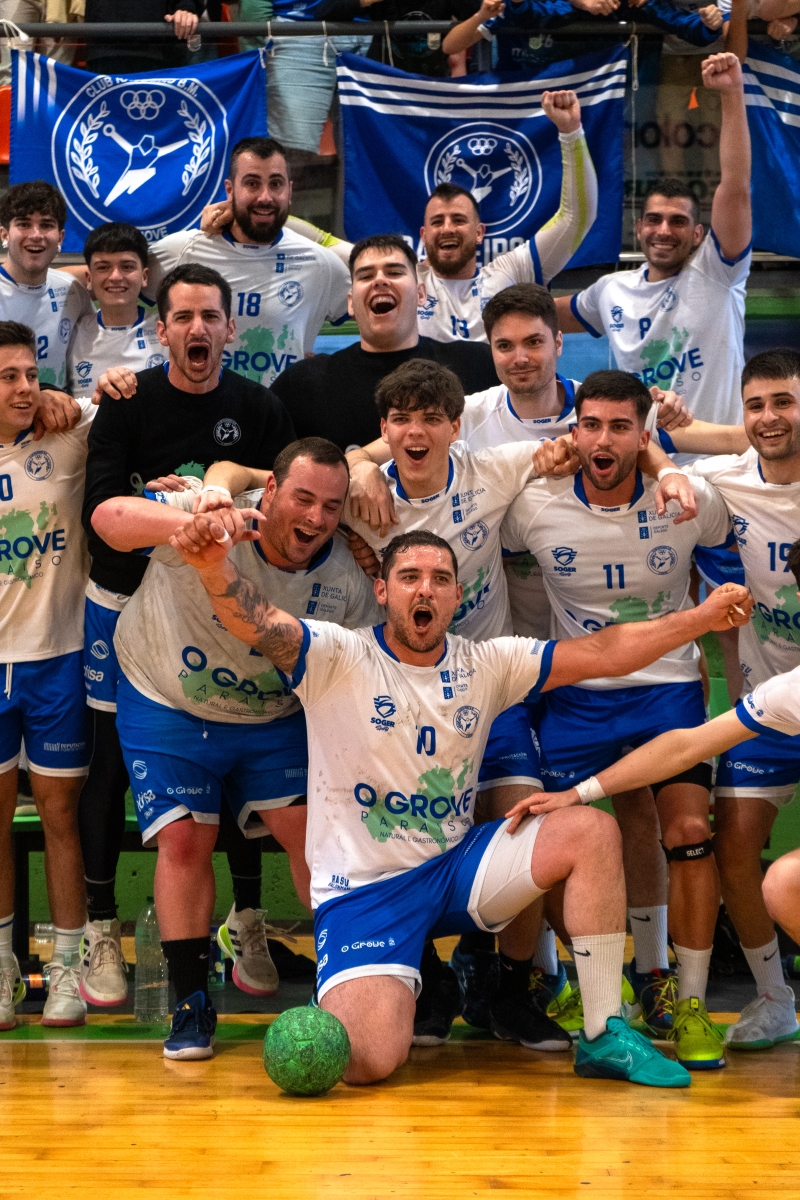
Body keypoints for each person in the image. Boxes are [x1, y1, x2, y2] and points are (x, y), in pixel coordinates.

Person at [169, 516, 751, 1086]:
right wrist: (213, 568)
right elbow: (258, 621)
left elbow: (604, 650)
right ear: (382, 591)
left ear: (456, 596)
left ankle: (603, 1033)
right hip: (367, 894)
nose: (425, 589)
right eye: (409, 577)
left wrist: (699, 619)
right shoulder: (336, 655)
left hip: (456, 868)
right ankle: (408, 983)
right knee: (368, 1063)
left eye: (440, 579)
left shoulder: (486, 663)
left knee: (590, 831)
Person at [91, 438, 381, 1059]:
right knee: (184, 839)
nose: (316, 518)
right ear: (269, 491)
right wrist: (188, 526)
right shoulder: (214, 507)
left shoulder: (346, 577)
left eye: (332, 507)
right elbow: (107, 519)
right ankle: (190, 1003)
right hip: (167, 696)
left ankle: (337, 985)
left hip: (272, 715)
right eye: (302, 498)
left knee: (312, 834)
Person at [78, 263, 296, 1009]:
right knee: (109, 760)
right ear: (161, 329)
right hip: (124, 599)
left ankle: (247, 918)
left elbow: (286, 486)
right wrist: (167, 508)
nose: (197, 329)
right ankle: (100, 928)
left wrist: (223, 489)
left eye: (210, 316)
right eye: (183, 317)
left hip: (217, 607)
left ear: (230, 328)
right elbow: (101, 510)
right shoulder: (127, 401)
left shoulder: (258, 405)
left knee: (235, 744)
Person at [501, 369, 733, 1066]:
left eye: (620, 427)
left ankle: (681, 997)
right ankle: (584, 978)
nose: (604, 440)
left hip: (666, 691)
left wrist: (673, 470)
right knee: (546, 833)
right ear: (574, 431)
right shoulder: (533, 506)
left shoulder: (690, 499)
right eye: (591, 425)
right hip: (575, 693)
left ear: (644, 435)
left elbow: (736, 540)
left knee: (688, 830)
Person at [508, 536, 800, 1052]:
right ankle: (740, 996)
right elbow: (686, 746)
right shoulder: (788, 692)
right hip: (586, 706)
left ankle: (686, 992)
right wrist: (578, 794)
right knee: (783, 881)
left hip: (667, 690)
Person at [662, 348, 800, 1048]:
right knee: (733, 847)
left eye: (784, 402)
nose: (769, 418)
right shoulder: (725, 481)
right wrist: (668, 450)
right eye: (756, 405)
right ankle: (776, 999)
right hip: (770, 703)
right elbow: (658, 463)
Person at [278, 90, 597, 344]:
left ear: (479, 232)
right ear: (423, 234)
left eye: (458, 220)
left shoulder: (511, 273)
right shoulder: (400, 276)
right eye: (437, 222)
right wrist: (255, 209)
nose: (447, 229)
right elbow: (322, 241)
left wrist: (570, 132)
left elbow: (576, 218)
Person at [554, 52, 751, 432]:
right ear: (640, 227)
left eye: (678, 221)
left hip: (721, 457)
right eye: (654, 220)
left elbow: (736, 187)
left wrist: (732, 93)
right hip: (642, 459)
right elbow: (537, 316)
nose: (664, 230)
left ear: (698, 234)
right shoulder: (610, 290)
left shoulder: (718, 272)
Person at [0, 321, 96, 1029]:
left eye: (32, 374)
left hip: (59, 657)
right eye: (8, 377)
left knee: (62, 818)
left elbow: (123, 400)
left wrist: (68, 395)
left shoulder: (68, 433)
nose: (25, 388)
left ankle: (66, 967)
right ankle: (3, 968)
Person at [146, 137, 350, 389]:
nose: (265, 196)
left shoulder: (320, 263)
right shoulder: (180, 251)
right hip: (197, 407)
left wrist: (329, 370)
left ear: (289, 191)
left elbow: (376, 325)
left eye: (276, 184)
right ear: (230, 190)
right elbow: (112, 292)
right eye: (252, 183)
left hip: (281, 410)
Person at [271, 235, 499, 452]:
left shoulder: (480, 366)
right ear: (350, 303)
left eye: (394, 272)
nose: (380, 280)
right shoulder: (302, 385)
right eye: (366, 276)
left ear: (421, 295)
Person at [0, 181, 92, 397]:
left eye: (46, 225)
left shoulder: (72, 291)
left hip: (61, 415)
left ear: (60, 237)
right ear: (5, 235)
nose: (36, 235)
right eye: (24, 224)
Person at [67, 224, 163, 402]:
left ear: (144, 276)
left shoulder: (168, 331)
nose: (115, 277)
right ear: (89, 278)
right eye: (103, 267)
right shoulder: (70, 335)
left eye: (127, 267)